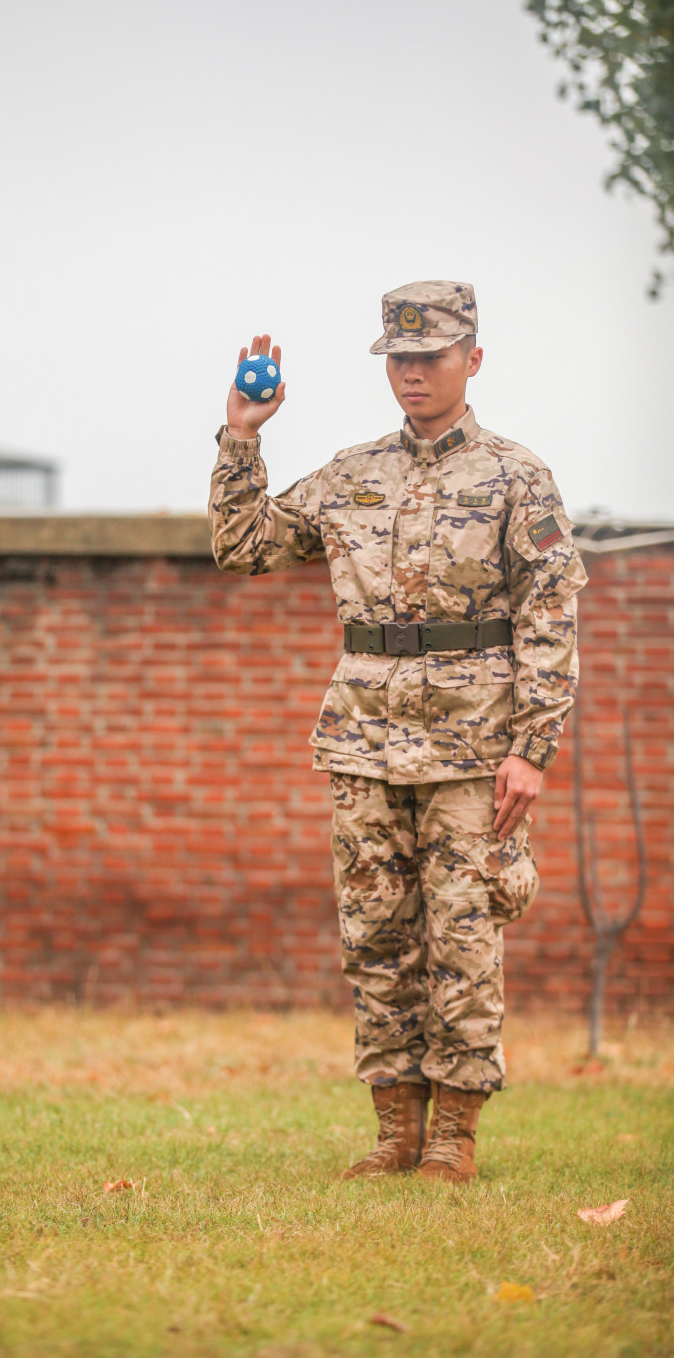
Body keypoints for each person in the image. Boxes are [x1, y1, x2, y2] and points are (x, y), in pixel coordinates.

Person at [208, 280, 587, 1184]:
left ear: (473, 359)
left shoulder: (514, 477)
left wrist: (532, 751)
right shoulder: (352, 474)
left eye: (432, 357)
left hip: (474, 747)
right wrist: (243, 433)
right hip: (365, 741)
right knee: (376, 936)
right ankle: (394, 1136)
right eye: (400, 359)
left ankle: (453, 1139)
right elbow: (241, 545)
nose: (413, 373)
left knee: (462, 937)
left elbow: (551, 615)